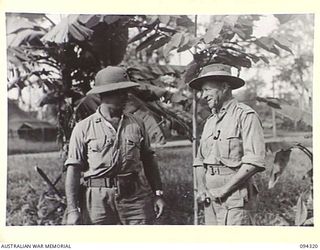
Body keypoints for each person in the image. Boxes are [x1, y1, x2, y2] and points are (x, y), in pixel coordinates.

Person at [64, 66, 165, 225]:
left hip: (134, 196)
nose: (126, 96)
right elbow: (73, 169)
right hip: (98, 200)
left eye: (126, 91)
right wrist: (72, 210)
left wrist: (158, 194)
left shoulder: (137, 123)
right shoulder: (84, 127)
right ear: (105, 94)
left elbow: (149, 159)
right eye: (121, 92)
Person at [188, 63, 266, 225]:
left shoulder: (245, 116)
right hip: (210, 198)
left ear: (224, 87)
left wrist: (224, 190)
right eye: (202, 91)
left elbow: (254, 161)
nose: (203, 95)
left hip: (235, 197)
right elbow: (199, 161)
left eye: (208, 90)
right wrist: (202, 189)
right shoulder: (210, 122)